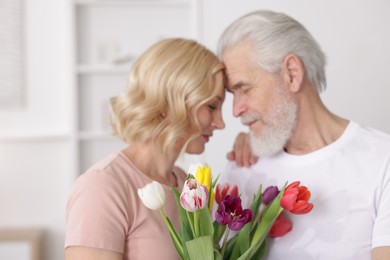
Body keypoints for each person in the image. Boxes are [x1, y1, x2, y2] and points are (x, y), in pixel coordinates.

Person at [217, 10, 390, 259]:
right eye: (233, 95)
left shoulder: (382, 160)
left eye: (244, 88)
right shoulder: (241, 167)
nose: (236, 110)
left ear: (291, 73)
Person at [64, 38, 226, 260]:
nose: (221, 122)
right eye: (211, 106)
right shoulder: (102, 188)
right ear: (169, 101)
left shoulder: (184, 182)